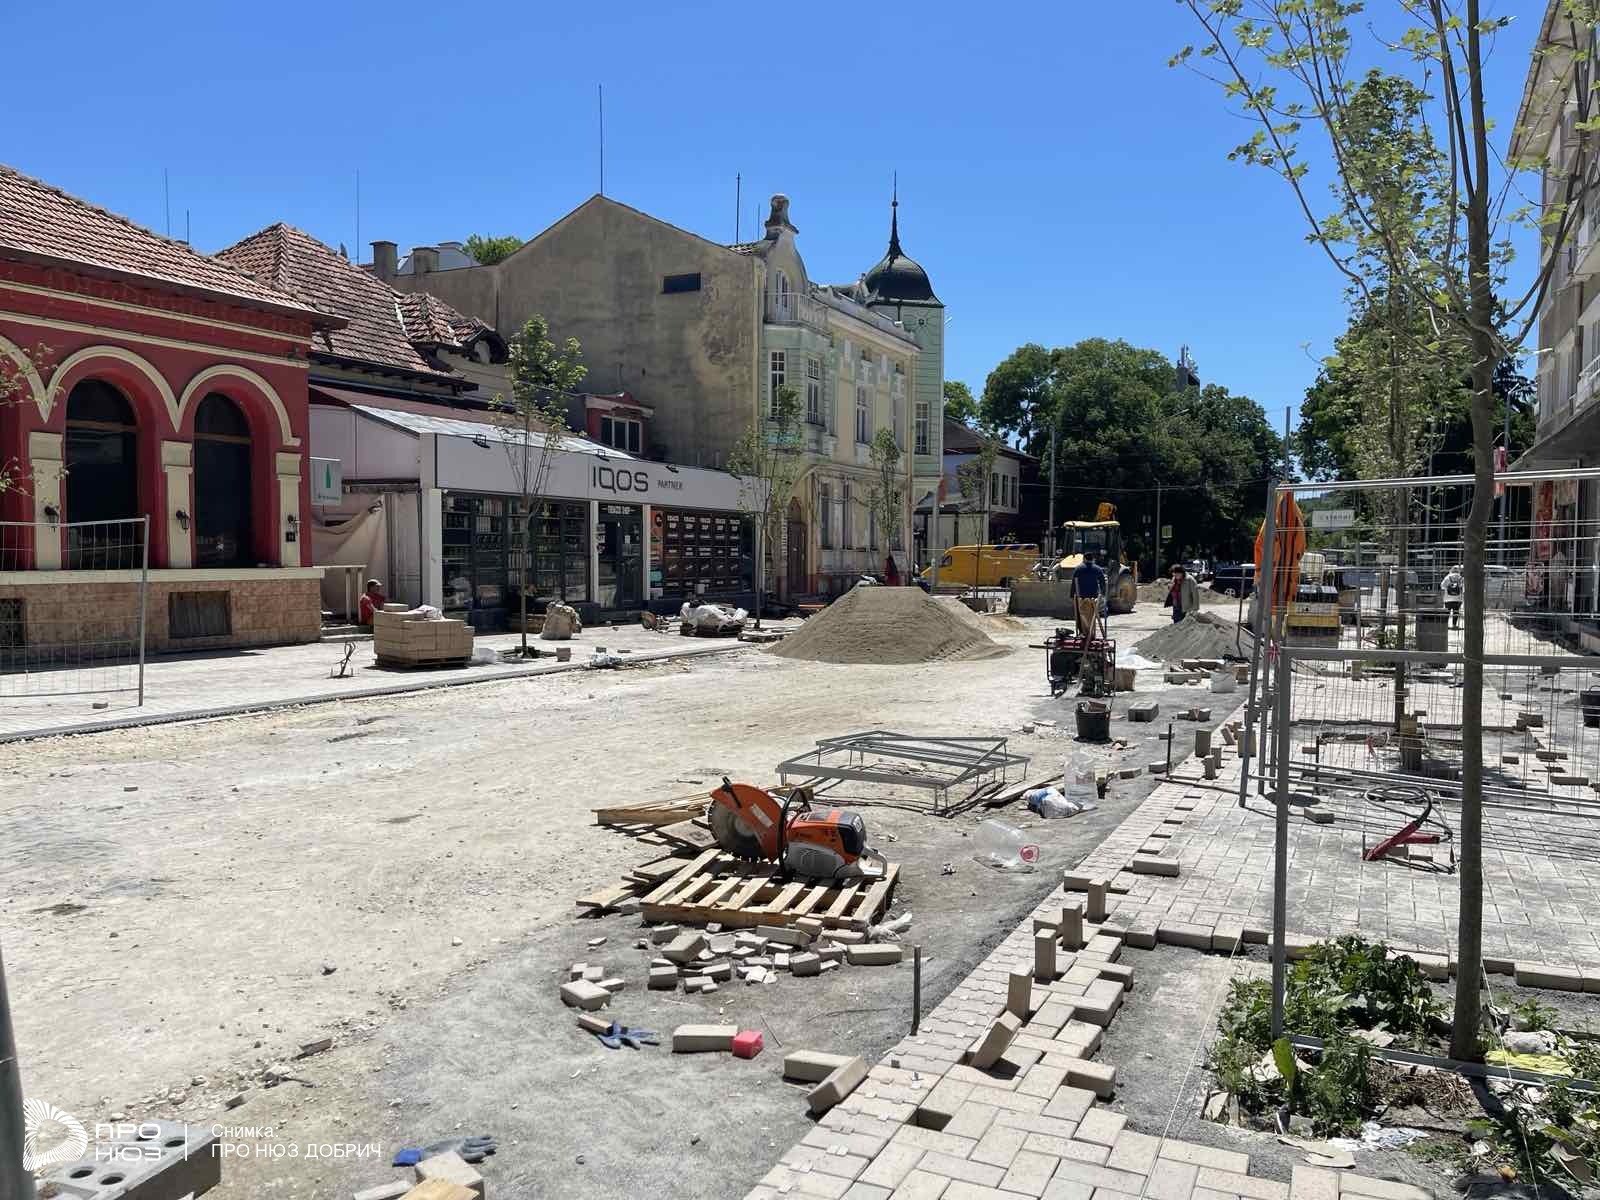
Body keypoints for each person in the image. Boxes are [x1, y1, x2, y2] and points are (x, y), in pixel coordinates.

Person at [1069, 553, 1106, 639]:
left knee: (1080, 615)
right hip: (1093, 597)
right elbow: (1102, 583)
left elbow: (1074, 583)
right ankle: (1091, 633)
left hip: (1080, 596)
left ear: (1084, 559)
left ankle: (1083, 633)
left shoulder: (1078, 569)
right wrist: (1103, 594)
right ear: (1092, 559)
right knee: (1092, 616)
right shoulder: (1097, 569)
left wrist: (1072, 595)